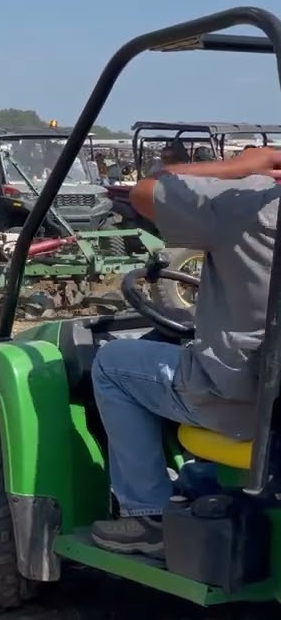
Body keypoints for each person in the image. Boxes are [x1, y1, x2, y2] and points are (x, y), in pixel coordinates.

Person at [87, 146, 281, 557]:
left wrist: (237, 166)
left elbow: (146, 190)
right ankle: (201, 479)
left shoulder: (247, 204)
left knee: (112, 364)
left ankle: (148, 516)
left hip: (246, 401)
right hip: (270, 397)